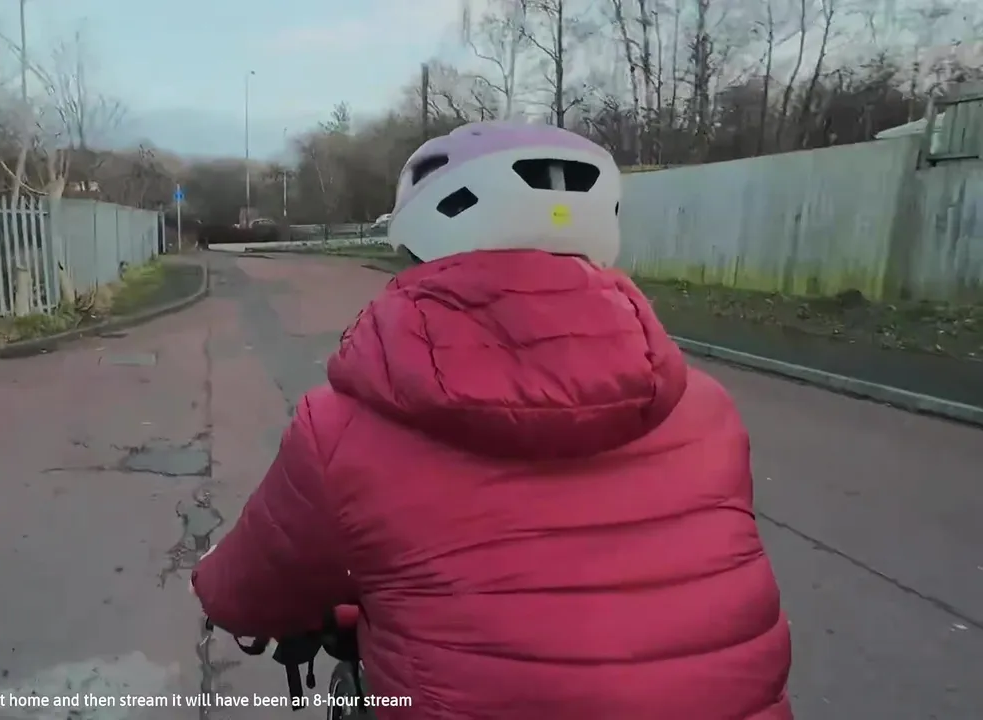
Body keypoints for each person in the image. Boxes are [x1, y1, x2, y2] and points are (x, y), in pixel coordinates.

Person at [191, 121, 792, 719]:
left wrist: (221, 581)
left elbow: (242, 594)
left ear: (420, 245)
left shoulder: (342, 433)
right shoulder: (706, 408)